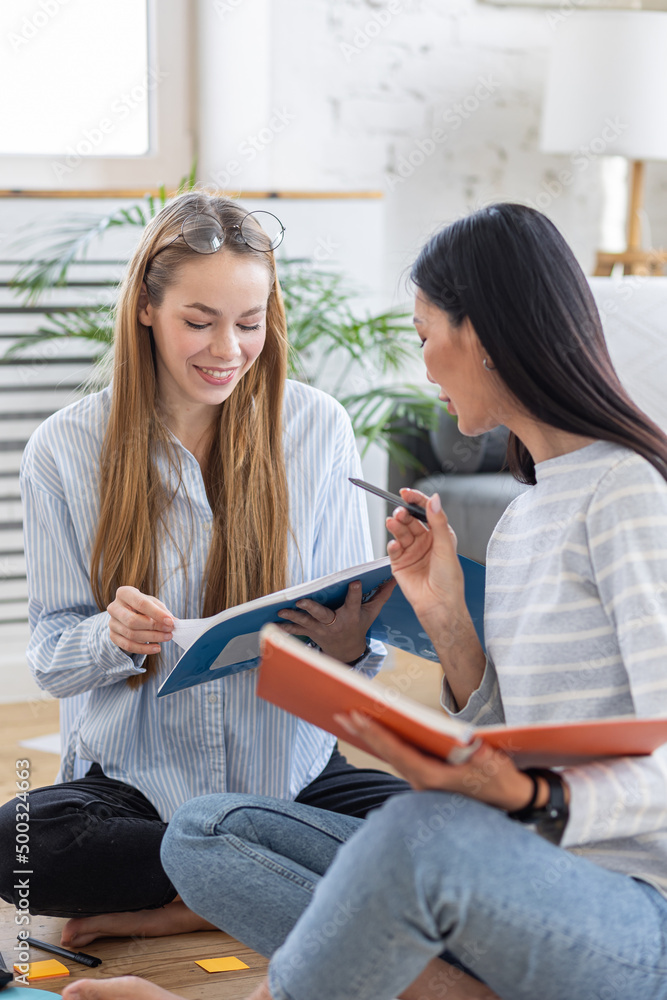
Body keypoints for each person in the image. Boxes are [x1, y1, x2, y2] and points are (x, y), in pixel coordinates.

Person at [61, 202, 667, 1000]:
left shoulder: (625, 492)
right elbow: (506, 744)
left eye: (423, 336)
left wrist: (533, 798)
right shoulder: (526, 514)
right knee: (208, 831)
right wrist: (445, 614)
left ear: (477, 335)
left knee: (418, 835)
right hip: (511, 883)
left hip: (627, 915)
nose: (422, 368)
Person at [0, 192, 407, 941]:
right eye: (200, 321)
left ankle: (181, 906)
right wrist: (112, 637)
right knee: (23, 848)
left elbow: (357, 637)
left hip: (289, 779)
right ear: (148, 309)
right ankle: (265, 882)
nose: (227, 350)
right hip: (135, 789)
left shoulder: (317, 426)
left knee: (436, 831)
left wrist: (352, 645)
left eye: (248, 324)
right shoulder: (65, 449)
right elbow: (53, 660)